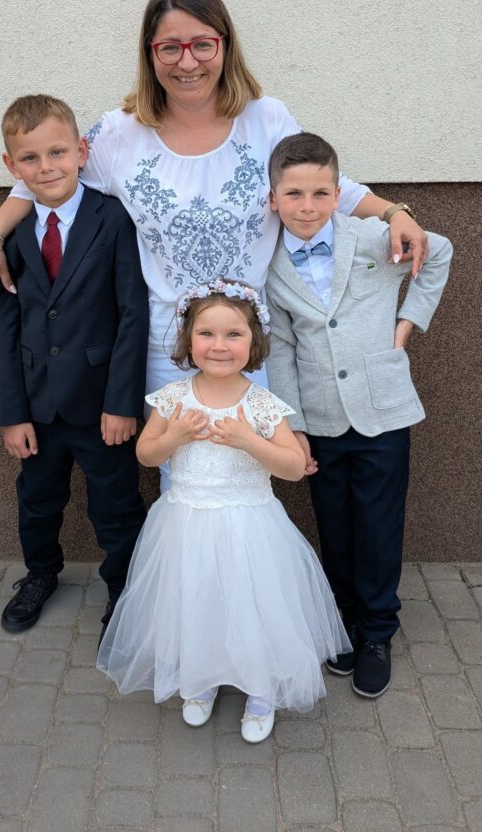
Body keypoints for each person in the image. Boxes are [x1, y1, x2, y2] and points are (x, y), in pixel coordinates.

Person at [0, 0, 429, 459]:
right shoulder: (119, 133)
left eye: (202, 45)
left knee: (250, 474)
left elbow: (329, 183)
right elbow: (46, 177)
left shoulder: (266, 119)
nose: (187, 63)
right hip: (166, 348)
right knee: (185, 476)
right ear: (149, 53)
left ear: (225, 45)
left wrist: (392, 211)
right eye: (170, 48)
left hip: (250, 343)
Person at [97, 280, 350, 743]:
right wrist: (174, 437)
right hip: (185, 523)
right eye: (206, 334)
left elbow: (294, 467)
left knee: (253, 606)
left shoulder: (261, 404)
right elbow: (145, 454)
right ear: (188, 339)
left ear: (254, 342)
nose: (219, 345)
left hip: (249, 526)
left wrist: (249, 441)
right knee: (198, 600)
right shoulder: (174, 398)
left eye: (233, 334)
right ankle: (201, 678)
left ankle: (261, 689)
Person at [264, 132, 452, 698]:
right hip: (320, 415)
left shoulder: (371, 237)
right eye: (294, 194)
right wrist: (294, 426)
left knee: (378, 522)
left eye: (321, 193)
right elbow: (281, 349)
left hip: (382, 410)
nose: (307, 207)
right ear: (273, 198)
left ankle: (377, 631)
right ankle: (343, 619)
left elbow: (439, 252)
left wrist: (405, 326)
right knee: (335, 523)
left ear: (337, 193)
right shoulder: (269, 263)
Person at [0, 95, 148, 634]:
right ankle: (40, 574)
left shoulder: (113, 219)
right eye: (30, 158)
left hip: (101, 403)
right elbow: (6, 327)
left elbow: (133, 315)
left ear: (82, 152)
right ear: (12, 166)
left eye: (57, 152)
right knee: (37, 500)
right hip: (37, 405)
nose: (46, 167)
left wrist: (122, 403)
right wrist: (12, 414)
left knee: (116, 505)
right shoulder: (13, 234)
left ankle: (123, 592)